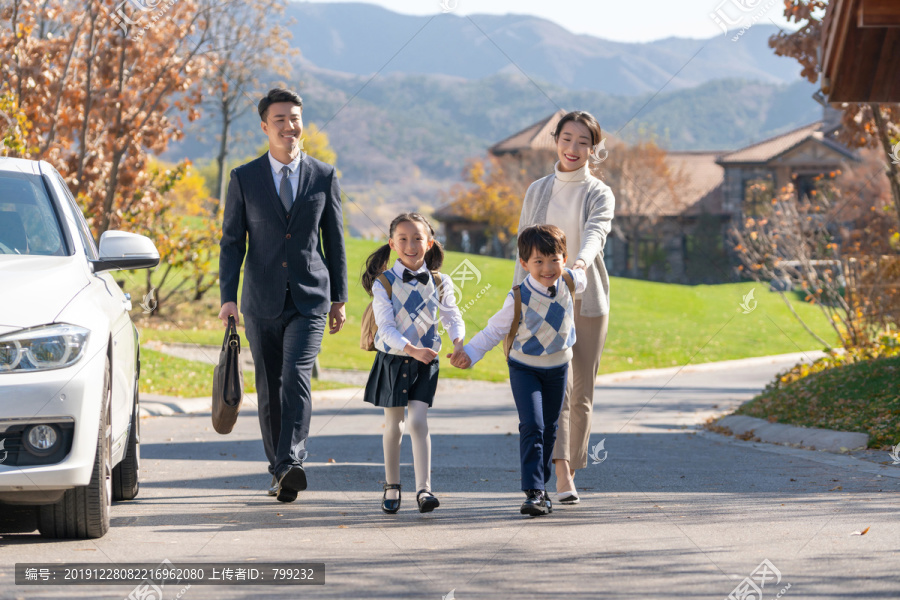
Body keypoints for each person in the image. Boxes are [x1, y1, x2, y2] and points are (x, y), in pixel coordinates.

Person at [218, 88, 348, 504]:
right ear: (264, 126)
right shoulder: (244, 178)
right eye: (281, 120)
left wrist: (339, 297)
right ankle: (279, 471)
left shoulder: (324, 176)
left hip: (310, 298)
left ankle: (291, 460)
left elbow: (336, 241)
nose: (290, 127)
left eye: (295, 118)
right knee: (269, 386)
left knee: (295, 375)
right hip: (260, 301)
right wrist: (228, 296)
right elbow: (232, 242)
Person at [513, 111, 615, 505]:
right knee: (560, 389)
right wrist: (516, 300)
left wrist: (579, 266)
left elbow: (595, 234)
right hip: (539, 301)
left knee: (582, 390)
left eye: (583, 142)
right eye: (567, 139)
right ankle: (559, 472)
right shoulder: (537, 190)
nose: (574, 149)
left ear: (593, 148)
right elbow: (522, 251)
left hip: (585, 299)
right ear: (556, 140)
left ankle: (571, 466)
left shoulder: (599, 192)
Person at [452, 225, 587, 516]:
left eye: (554, 259)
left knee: (550, 429)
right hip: (525, 369)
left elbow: (583, 276)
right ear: (524, 264)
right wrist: (469, 354)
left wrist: (581, 264)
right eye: (538, 261)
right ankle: (534, 491)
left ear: (564, 258)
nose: (547, 268)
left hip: (559, 367)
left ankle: (542, 488)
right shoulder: (518, 298)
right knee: (532, 426)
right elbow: (493, 331)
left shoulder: (570, 281)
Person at [361, 213, 464, 514]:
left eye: (418, 238)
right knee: (395, 425)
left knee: (418, 422)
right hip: (394, 360)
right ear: (392, 244)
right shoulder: (384, 283)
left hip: (426, 362)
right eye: (403, 239)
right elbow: (386, 327)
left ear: (429, 243)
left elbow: (452, 316)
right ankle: (392, 485)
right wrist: (411, 349)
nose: (411, 245)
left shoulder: (440, 281)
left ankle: (424, 490)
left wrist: (458, 343)